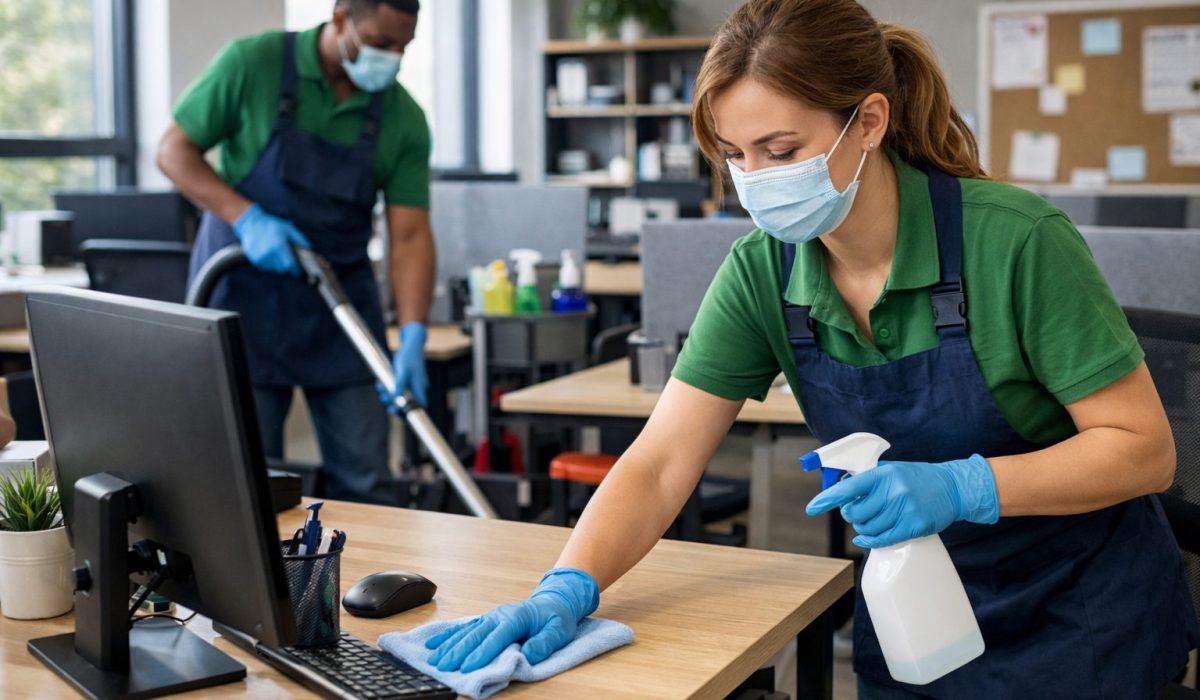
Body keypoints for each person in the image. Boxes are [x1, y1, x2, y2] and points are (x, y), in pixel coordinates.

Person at [423, 0, 1200, 696]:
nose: (754, 180)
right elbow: (660, 462)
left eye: (781, 149)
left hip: (1082, 624)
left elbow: (1144, 451)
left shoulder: (1018, 243)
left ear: (869, 122)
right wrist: (567, 586)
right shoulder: (763, 270)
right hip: (916, 618)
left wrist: (964, 486)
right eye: (734, 154)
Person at [157, 0, 434, 503]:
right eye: (381, 43)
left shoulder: (403, 117)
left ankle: (362, 561)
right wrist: (246, 217)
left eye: (403, 47)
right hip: (242, 303)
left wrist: (414, 331)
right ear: (340, 18)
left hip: (339, 309)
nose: (392, 59)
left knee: (367, 481)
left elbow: (411, 237)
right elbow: (173, 151)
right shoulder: (252, 63)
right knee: (245, 485)